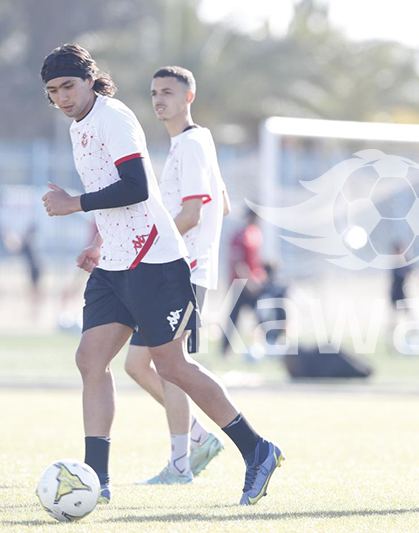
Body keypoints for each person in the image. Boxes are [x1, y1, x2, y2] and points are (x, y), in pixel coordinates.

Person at [40, 44, 282, 506]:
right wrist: (97, 241)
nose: (63, 98)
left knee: (172, 367)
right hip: (115, 262)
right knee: (91, 361)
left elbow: (136, 187)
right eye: (53, 92)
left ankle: (257, 450)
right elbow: (111, 196)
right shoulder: (79, 126)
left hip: (154, 261)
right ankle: (97, 479)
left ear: (90, 79)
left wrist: (73, 204)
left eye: (69, 86)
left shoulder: (114, 117)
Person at [123, 66, 231, 485]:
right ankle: (199, 437)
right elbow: (222, 204)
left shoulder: (191, 145)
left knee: (172, 366)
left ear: (190, 96)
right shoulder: (191, 144)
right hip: (176, 268)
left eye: (167, 92)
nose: (158, 99)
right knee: (137, 365)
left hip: (183, 272)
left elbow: (193, 213)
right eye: (153, 92)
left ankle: (180, 466)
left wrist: (148, 246)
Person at [221, 211, 266, 357]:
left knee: (262, 314)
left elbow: (255, 260)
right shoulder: (240, 235)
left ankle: (268, 346)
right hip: (239, 284)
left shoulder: (256, 233)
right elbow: (238, 262)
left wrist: (260, 277)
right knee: (233, 318)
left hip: (253, 283)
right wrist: (248, 282)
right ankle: (225, 350)